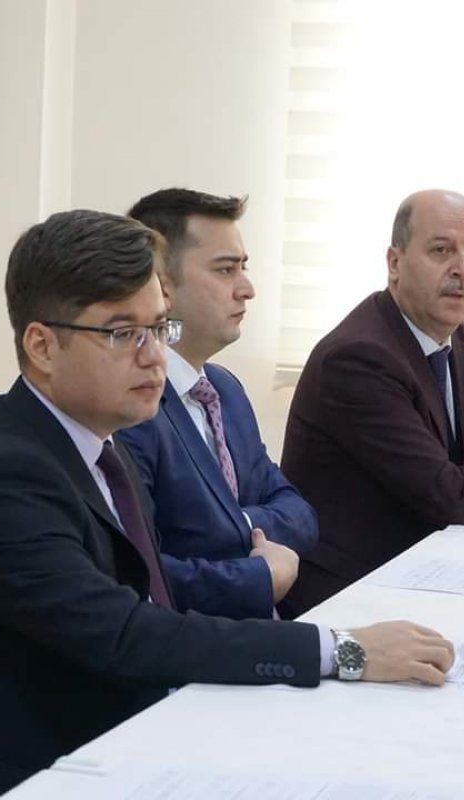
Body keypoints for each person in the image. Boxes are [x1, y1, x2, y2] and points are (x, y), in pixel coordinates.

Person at [0, 209, 454, 800]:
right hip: (35, 774)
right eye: (122, 334)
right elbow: (128, 634)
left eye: (158, 328)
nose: (154, 357)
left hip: (125, 733)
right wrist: (341, 649)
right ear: (42, 346)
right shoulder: (5, 478)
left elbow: (152, 607)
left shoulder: (99, 444)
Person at [280, 190, 464, 615]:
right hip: (351, 591)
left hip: (432, 570)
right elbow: (448, 493)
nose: (462, 269)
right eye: (441, 250)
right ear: (394, 263)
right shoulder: (359, 357)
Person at [116, 188, 317, 620]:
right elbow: (141, 573)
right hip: (191, 642)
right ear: (162, 286)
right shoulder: (130, 406)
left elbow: (299, 513)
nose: (247, 289)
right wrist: (258, 570)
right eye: (226, 270)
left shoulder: (225, 390)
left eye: (244, 267)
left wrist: (236, 525)